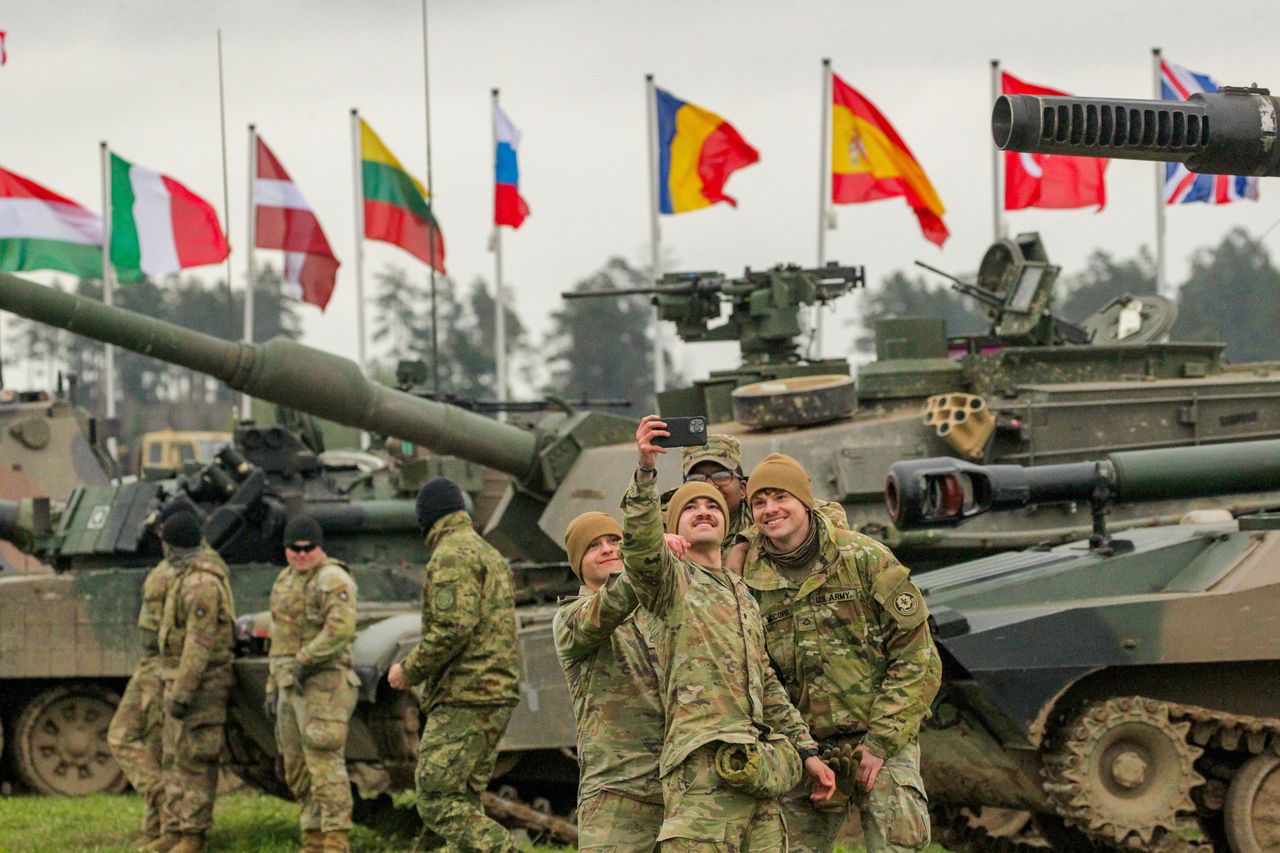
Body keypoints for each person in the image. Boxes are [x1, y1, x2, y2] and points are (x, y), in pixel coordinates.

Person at [622, 415, 836, 851]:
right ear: (674, 528)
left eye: (715, 506)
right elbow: (640, 548)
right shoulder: (670, 583)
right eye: (692, 507)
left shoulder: (741, 592)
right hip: (701, 768)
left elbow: (766, 682)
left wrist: (808, 752)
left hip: (756, 767)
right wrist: (646, 469)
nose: (705, 510)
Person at [740, 453, 942, 853]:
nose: (770, 510)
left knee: (898, 841)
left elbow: (917, 658)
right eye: (759, 502)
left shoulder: (863, 558)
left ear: (804, 501)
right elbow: (758, 676)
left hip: (880, 739)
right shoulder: (747, 578)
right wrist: (803, 752)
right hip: (803, 750)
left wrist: (881, 742)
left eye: (780, 497)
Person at [387, 477, 519, 853]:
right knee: (463, 798)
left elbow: (452, 627)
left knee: (435, 798)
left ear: (425, 517)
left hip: (466, 694)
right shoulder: (486, 551)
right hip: (495, 692)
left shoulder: (450, 554)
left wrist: (408, 670)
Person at [553, 512, 665, 852]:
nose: (606, 549)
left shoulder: (654, 612)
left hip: (675, 785)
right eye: (592, 546)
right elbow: (607, 608)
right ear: (578, 563)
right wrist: (647, 562)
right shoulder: (572, 617)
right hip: (617, 790)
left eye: (614, 541)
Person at [266, 515, 359, 853]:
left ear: (320, 548)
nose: (302, 554)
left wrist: (306, 659)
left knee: (324, 764)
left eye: (309, 548)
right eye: (295, 548)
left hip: (325, 685)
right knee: (296, 767)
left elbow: (341, 629)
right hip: (290, 687)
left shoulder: (333, 579)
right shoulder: (284, 580)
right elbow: (279, 636)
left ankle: (335, 841)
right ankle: (313, 838)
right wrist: (272, 685)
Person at [151, 510, 236, 853]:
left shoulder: (201, 584)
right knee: (174, 758)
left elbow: (198, 646)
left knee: (197, 761)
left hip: (203, 685)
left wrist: (183, 693)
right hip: (179, 680)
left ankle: (192, 835)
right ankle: (173, 828)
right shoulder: (183, 577)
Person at [674, 435, 848, 571]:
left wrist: (744, 542)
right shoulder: (671, 517)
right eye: (696, 479)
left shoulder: (761, 506)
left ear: (743, 489)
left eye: (721, 477)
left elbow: (826, 512)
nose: (710, 486)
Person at [107, 547, 176, 848]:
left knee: (124, 736)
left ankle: (165, 804)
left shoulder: (171, 574)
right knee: (152, 744)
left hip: (159, 665)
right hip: (156, 662)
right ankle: (155, 828)